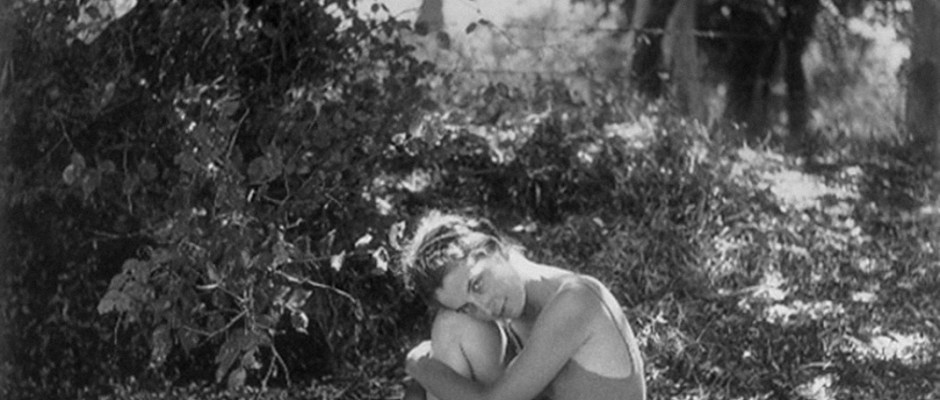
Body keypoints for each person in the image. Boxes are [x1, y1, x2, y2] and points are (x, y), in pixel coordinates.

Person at [400, 211, 646, 400]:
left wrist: (418, 365)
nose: (484, 308)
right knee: (452, 324)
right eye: (467, 306)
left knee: (447, 337)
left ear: (493, 248)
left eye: (477, 285)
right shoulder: (514, 310)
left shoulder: (576, 300)